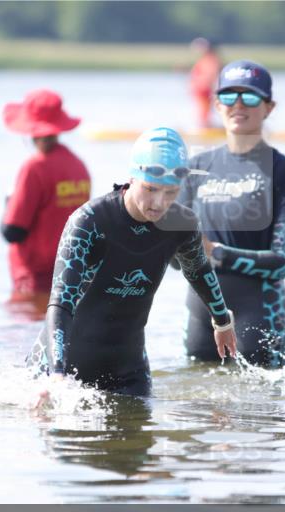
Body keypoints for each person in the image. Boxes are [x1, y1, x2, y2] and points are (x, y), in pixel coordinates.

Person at [29, 127, 237, 398]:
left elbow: (198, 270)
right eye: (150, 189)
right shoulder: (90, 222)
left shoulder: (181, 223)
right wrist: (56, 374)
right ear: (132, 177)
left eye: (171, 192)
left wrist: (222, 321)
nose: (159, 203)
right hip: (62, 370)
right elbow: (61, 302)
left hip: (128, 372)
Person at [178, 60, 285, 369]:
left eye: (249, 97)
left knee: (259, 409)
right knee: (194, 404)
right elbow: (171, 256)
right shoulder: (195, 169)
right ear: (216, 104)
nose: (238, 105)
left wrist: (217, 254)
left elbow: (281, 263)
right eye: (228, 97)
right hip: (201, 312)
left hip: (260, 311)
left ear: (269, 107)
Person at [0, 89, 90, 309]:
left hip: (34, 277)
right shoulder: (77, 165)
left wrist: (8, 203)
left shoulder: (35, 168)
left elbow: (13, 230)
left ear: (31, 132)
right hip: (69, 271)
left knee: (25, 333)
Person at [188, 37, 221, 129]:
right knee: (202, 113)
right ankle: (204, 126)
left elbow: (210, 74)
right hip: (201, 89)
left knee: (204, 113)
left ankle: (205, 128)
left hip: (204, 90)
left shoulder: (211, 60)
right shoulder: (206, 59)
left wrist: (200, 82)